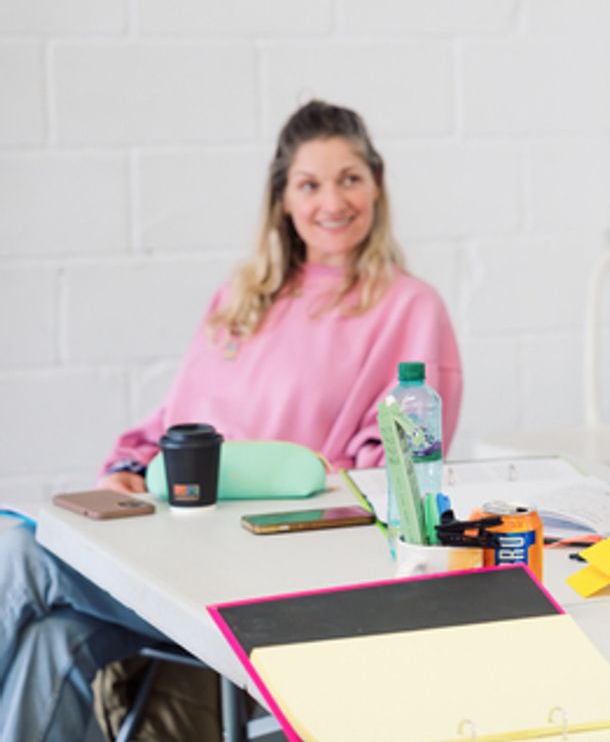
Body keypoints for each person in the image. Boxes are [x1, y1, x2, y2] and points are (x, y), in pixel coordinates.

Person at [0, 100, 463, 741]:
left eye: (350, 178)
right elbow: (173, 421)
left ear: (377, 185)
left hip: (272, 567)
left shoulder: (409, 307)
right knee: (53, 640)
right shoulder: (243, 298)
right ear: (283, 200)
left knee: (18, 550)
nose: (333, 200)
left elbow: (396, 480)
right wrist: (128, 471)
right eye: (310, 184)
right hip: (172, 547)